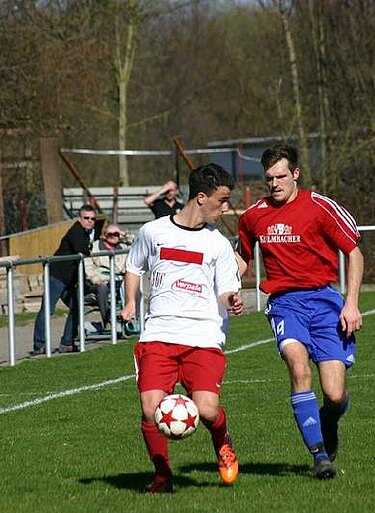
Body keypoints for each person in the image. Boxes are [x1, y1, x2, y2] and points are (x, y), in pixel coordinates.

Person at [237, 144, 364, 480]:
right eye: (269, 178)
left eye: (281, 176)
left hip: (325, 303)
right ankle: (319, 455)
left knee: (334, 395)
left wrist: (351, 303)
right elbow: (242, 259)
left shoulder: (321, 207)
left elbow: (354, 253)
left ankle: (329, 421)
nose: (275, 183)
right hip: (284, 304)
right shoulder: (253, 216)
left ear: (295, 174)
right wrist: (225, 284)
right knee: (298, 366)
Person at [120, 163, 245, 493]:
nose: (225, 208)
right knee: (151, 409)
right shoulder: (153, 232)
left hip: (203, 337)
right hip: (158, 334)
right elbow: (133, 267)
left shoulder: (218, 244)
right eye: (222, 200)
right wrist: (130, 302)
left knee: (207, 410)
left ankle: (223, 442)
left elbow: (226, 288)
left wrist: (232, 299)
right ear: (201, 197)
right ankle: (162, 475)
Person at [31, 204, 97, 355]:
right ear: (80, 219)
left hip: (69, 279)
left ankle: (67, 342)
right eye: (86, 218)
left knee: (77, 307)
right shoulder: (76, 231)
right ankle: (39, 344)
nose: (89, 221)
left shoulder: (87, 233)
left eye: (92, 219)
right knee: (47, 309)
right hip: (56, 275)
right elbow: (82, 250)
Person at [84, 223, 129, 332]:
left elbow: (138, 242)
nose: (113, 236)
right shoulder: (94, 247)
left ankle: (132, 318)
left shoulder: (124, 248)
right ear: (104, 235)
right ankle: (107, 321)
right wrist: (96, 280)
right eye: (110, 234)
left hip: (119, 281)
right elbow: (88, 267)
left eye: (116, 234)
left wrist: (125, 236)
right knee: (102, 287)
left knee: (134, 284)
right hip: (100, 281)